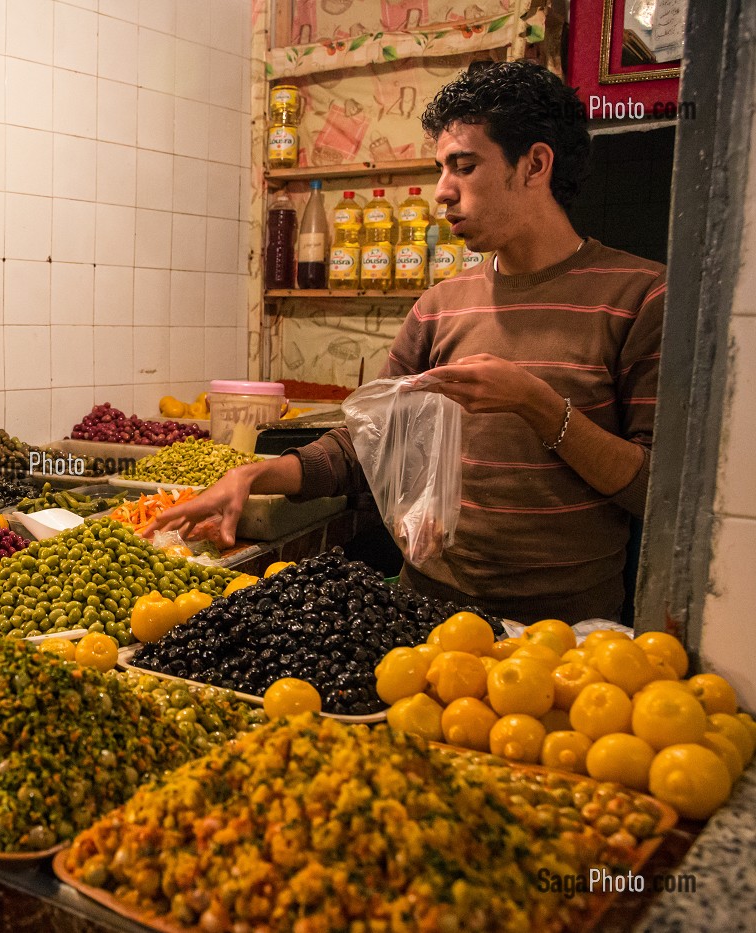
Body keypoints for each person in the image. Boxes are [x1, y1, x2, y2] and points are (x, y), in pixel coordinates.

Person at [147, 61, 666, 624]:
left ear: (536, 164)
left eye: (464, 167)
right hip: (427, 613)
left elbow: (653, 490)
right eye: (441, 169)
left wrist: (535, 404)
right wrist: (250, 476)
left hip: (566, 636)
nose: (443, 192)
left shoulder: (641, 296)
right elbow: (367, 444)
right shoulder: (441, 305)